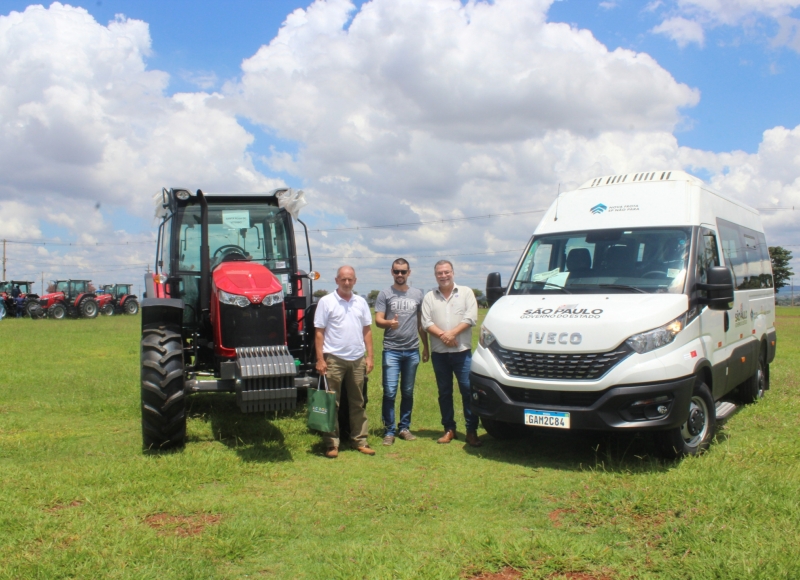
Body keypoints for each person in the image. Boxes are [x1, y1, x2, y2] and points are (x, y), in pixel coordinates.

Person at [314, 265, 375, 458]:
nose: (347, 283)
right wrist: (320, 359)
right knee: (332, 403)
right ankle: (332, 444)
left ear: (355, 281)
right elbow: (319, 332)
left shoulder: (361, 302)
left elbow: (367, 330)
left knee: (358, 402)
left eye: (350, 279)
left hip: (357, 359)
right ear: (336, 280)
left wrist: (370, 356)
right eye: (343, 279)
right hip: (334, 359)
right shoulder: (326, 302)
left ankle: (360, 440)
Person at [421, 260, 481, 447]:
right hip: (439, 354)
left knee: (467, 391)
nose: (443, 276)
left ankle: (471, 431)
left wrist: (452, 333)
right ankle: (449, 429)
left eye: (446, 272)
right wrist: (444, 336)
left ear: (453, 272)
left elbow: (471, 317)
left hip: (461, 352)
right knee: (444, 392)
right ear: (435, 275)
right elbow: (426, 322)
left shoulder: (466, 292)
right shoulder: (430, 296)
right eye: (440, 273)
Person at [375, 258, 429, 446]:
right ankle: (389, 430)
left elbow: (421, 325)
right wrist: (389, 323)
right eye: (396, 271)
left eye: (403, 272)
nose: (400, 275)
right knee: (389, 392)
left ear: (409, 273)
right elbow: (378, 320)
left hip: (412, 350)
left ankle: (404, 427)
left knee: (407, 391)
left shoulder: (417, 295)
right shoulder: (385, 294)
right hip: (391, 351)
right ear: (392, 272)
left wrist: (426, 348)